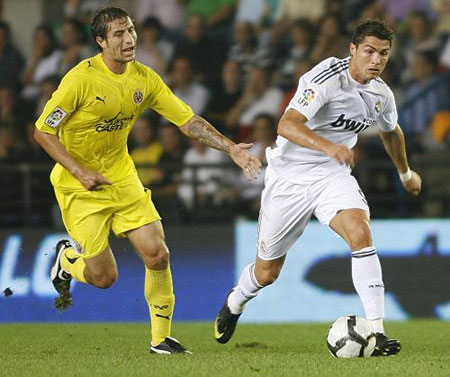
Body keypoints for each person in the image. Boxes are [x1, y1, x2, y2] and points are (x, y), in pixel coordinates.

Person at [34, 7, 261, 355]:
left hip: (122, 179)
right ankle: (66, 262)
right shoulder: (80, 80)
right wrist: (79, 171)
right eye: (119, 34)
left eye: (131, 31)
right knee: (104, 278)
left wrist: (231, 149)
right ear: (101, 41)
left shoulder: (144, 78)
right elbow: (43, 131)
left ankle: (160, 338)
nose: (128, 40)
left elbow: (187, 121)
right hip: (78, 186)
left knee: (157, 255)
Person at [214, 19, 422, 357]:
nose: (376, 60)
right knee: (267, 272)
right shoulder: (326, 76)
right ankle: (236, 300)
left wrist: (405, 172)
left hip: (331, 175)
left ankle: (377, 333)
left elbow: (391, 131)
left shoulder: (381, 94)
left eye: (383, 54)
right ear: (352, 49)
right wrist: (328, 146)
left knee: (360, 232)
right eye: (369, 51)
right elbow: (287, 124)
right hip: (290, 178)